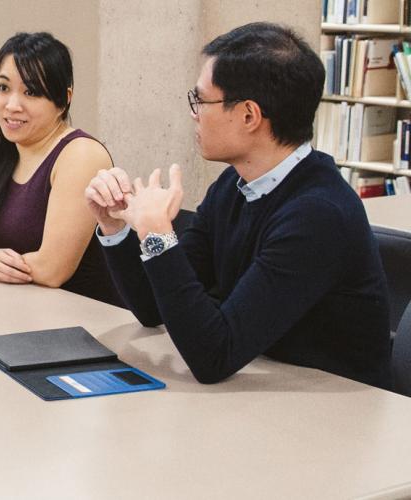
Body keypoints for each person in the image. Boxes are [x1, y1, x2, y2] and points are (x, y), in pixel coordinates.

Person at [84, 22, 393, 388]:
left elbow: (214, 356)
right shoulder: (234, 184)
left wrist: (157, 236)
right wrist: (115, 227)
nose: (194, 113)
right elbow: (153, 309)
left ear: (249, 115)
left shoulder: (318, 215)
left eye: (201, 100)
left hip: (333, 414)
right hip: (264, 392)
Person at [0, 32, 120, 306]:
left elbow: (52, 270)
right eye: (3, 88)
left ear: (64, 99)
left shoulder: (81, 155)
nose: (12, 105)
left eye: (31, 92)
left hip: (81, 319)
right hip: (19, 305)